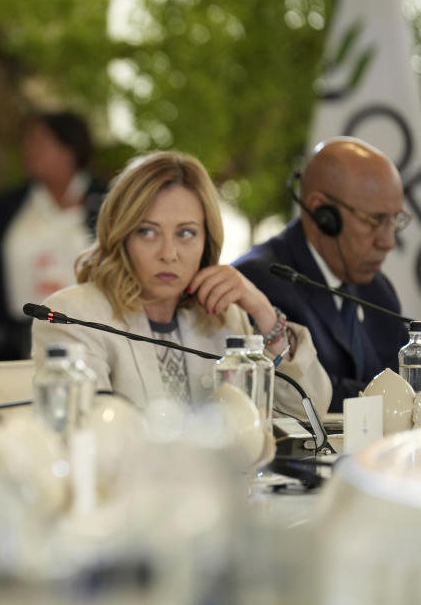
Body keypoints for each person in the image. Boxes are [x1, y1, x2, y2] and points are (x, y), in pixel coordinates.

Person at [31, 151, 331, 418]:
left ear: (207, 241)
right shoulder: (73, 316)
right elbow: (90, 436)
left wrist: (262, 311)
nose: (168, 254)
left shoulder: (224, 316)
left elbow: (308, 413)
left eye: (185, 234)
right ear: (121, 235)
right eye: (148, 232)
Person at [234, 137, 411, 412]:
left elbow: (407, 385)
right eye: (376, 220)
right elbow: (300, 395)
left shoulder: (378, 289)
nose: (388, 241)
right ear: (321, 212)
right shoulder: (260, 282)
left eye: (394, 220)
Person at [0, 111, 106, 361]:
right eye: (26, 142)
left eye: (39, 142)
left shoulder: (105, 201)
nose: (28, 150)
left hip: (89, 337)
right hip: (15, 342)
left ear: (69, 150)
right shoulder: (10, 204)